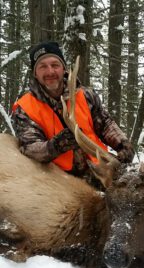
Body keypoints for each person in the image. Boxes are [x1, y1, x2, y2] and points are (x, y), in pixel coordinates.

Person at [12, 41, 134, 186]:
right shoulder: (25, 108)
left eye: (55, 65)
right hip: (59, 179)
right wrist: (56, 145)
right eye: (42, 66)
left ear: (63, 68)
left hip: (100, 169)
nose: (50, 72)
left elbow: (106, 124)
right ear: (35, 73)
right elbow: (30, 149)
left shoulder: (85, 95)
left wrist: (123, 145)